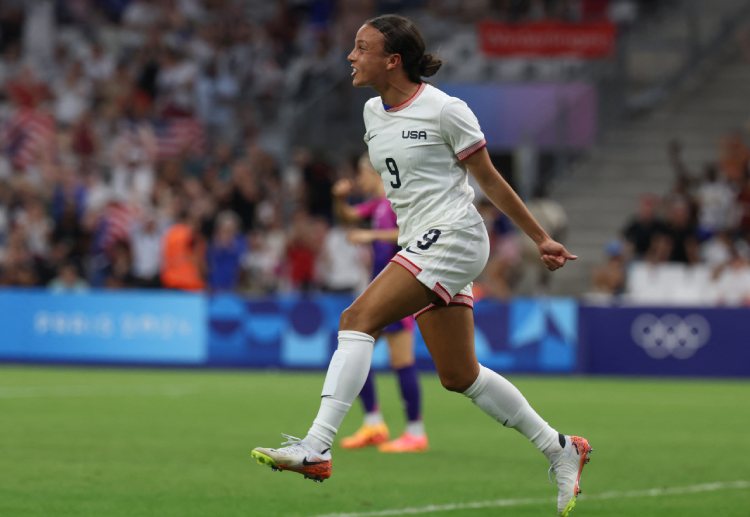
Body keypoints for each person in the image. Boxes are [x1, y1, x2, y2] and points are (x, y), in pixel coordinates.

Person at [251, 15, 591, 517]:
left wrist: (540, 237)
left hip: (455, 235)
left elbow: (490, 182)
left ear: (393, 59)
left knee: (356, 320)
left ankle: (316, 446)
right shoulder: (372, 112)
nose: (350, 55)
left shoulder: (446, 110)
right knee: (459, 375)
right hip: (420, 240)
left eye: (361, 47)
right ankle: (561, 448)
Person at [332, 153, 428, 453]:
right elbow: (348, 216)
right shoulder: (376, 205)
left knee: (400, 361)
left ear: (375, 173)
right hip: (378, 291)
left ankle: (415, 431)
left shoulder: (396, 204)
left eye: (362, 173)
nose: (359, 179)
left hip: (397, 293)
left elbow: (409, 234)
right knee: (354, 350)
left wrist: (369, 235)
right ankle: (374, 423)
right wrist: (339, 199)